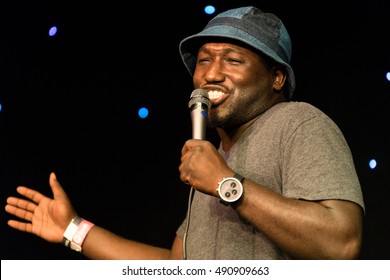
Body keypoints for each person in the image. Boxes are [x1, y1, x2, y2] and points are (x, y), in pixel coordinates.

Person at [5, 6, 364, 260]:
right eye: (204, 60)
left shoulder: (297, 121)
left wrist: (228, 185)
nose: (211, 74)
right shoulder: (215, 161)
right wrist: (74, 230)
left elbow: (341, 244)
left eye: (233, 60)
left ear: (276, 77)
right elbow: (177, 265)